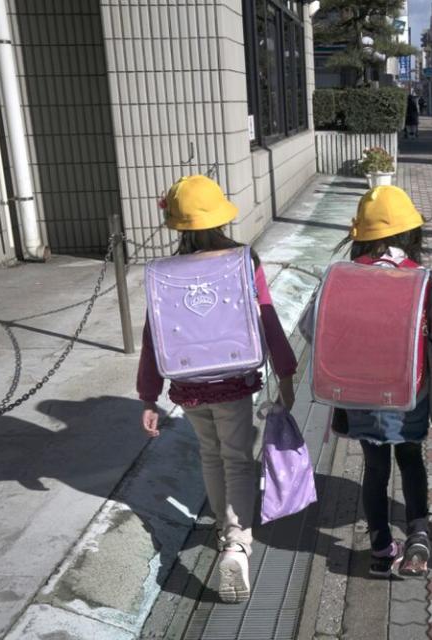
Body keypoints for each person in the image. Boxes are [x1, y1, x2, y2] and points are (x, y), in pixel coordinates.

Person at [137, 175, 297, 603]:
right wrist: (286, 373)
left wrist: (148, 394)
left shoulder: (163, 273)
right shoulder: (244, 260)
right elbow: (267, 319)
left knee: (212, 455)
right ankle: (236, 543)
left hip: (189, 383)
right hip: (233, 379)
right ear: (220, 214)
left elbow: (155, 335)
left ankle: (228, 528)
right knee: (239, 461)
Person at [303, 185, 432, 578]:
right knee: (411, 461)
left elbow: (310, 327)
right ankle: (419, 539)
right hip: (409, 391)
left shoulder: (341, 278)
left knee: (375, 469)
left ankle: (379, 549)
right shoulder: (423, 279)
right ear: (410, 235)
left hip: (359, 395)